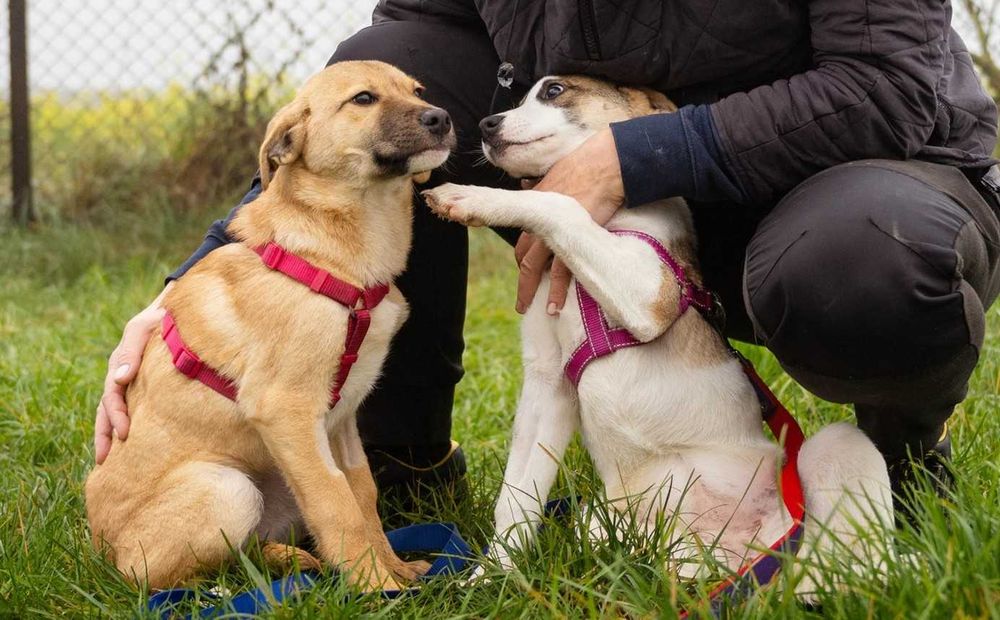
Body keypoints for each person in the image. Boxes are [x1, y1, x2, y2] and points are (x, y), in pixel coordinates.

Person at [96, 1, 1000, 507]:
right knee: (397, 58)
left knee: (866, 265)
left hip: (841, 177)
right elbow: (398, 52)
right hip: (603, 188)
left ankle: (903, 454)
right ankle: (403, 458)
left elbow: (882, 85)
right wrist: (200, 278)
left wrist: (630, 159)